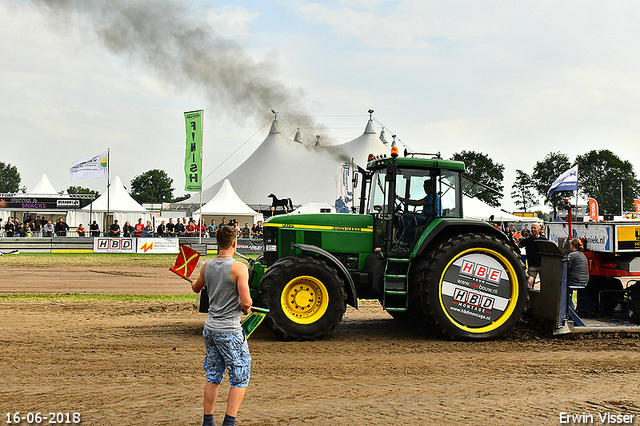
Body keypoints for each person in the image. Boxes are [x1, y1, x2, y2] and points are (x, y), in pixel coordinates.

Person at [191, 226, 252, 426]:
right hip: (230, 330)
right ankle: (229, 422)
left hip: (210, 328)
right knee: (240, 375)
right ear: (235, 243)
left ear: (217, 243)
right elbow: (246, 301)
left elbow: (196, 287)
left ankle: (208, 421)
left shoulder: (206, 265)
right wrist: (247, 309)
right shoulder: (239, 268)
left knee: (214, 375)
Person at [396, 179, 441, 243]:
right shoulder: (432, 196)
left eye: (426, 187)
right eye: (424, 187)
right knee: (409, 215)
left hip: (428, 219)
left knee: (406, 216)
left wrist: (402, 199)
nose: (425, 189)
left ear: (431, 187)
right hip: (427, 216)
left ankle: (404, 239)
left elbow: (417, 203)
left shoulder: (432, 196)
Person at [517, 222, 546, 288]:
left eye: (535, 228)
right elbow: (517, 246)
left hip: (542, 265)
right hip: (532, 265)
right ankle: (530, 297)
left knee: (544, 284)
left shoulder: (543, 240)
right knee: (530, 282)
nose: (533, 229)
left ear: (539, 229)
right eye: (532, 228)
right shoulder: (527, 240)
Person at [567, 238, 589, 310]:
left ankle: (571, 308)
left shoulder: (572, 255)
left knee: (561, 288)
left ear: (572, 246)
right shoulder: (583, 255)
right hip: (584, 282)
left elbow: (566, 268)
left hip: (575, 281)